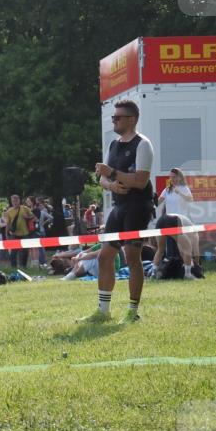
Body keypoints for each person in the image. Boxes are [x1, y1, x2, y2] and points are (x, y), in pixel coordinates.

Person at [80, 99, 155, 323]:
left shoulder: (143, 144)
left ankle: (133, 311)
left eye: (117, 117)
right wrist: (111, 184)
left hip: (138, 207)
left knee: (132, 257)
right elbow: (102, 177)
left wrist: (113, 173)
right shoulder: (113, 145)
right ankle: (103, 311)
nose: (113, 120)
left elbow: (141, 181)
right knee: (105, 257)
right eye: (113, 117)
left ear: (131, 119)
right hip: (119, 206)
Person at [153, 167, 198, 279]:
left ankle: (187, 269)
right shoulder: (167, 189)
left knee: (183, 249)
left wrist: (179, 192)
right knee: (164, 249)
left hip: (180, 222)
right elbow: (157, 203)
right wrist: (152, 198)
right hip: (169, 221)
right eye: (170, 177)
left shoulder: (184, 188)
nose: (172, 179)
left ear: (179, 177)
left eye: (174, 177)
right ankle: (154, 272)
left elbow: (190, 199)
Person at [2, 195, 34, 269]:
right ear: (11, 202)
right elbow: (8, 224)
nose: (15, 202)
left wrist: (27, 217)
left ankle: (23, 266)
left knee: (25, 251)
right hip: (14, 234)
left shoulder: (25, 208)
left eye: (16, 201)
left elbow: (34, 217)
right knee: (13, 252)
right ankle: (14, 267)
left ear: (19, 201)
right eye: (13, 201)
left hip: (25, 233)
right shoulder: (9, 211)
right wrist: (6, 234)